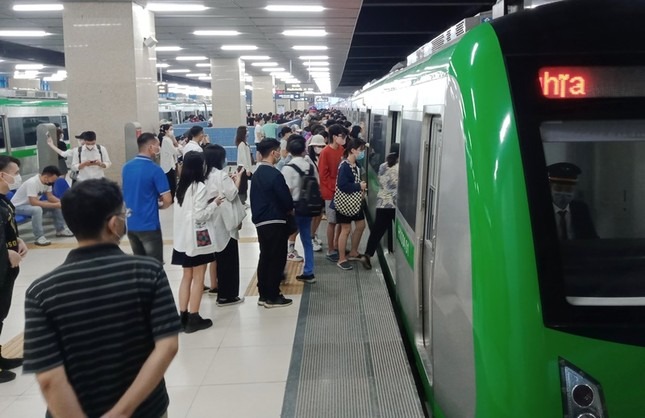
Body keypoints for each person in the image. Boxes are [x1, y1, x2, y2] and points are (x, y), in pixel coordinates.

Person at [22, 178, 180, 417]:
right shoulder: (148, 272)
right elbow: (167, 346)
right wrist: (122, 412)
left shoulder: (41, 291)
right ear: (114, 224)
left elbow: (48, 379)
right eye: (124, 214)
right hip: (145, 409)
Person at [172, 151, 223, 332]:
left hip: (181, 240)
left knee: (186, 277)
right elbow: (200, 215)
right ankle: (194, 317)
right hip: (197, 240)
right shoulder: (199, 186)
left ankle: (183, 317)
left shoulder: (181, 187)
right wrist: (215, 203)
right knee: (199, 277)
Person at [250, 139, 294, 308]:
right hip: (275, 220)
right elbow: (286, 200)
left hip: (261, 221)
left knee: (265, 257)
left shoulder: (257, 174)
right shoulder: (275, 174)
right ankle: (273, 296)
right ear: (273, 152)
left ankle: (263, 294)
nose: (280, 153)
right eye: (278, 150)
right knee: (277, 258)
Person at [122, 133, 173, 264]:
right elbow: (167, 200)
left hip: (131, 225)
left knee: (141, 265)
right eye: (157, 145)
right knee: (154, 265)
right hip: (149, 225)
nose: (158, 148)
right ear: (150, 147)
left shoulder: (126, 167)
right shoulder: (155, 170)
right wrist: (160, 206)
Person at [204, 144, 245, 306]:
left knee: (220, 259)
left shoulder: (204, 175)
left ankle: (221, 292)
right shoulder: (221, 175)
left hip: (212, 220)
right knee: (229, 260)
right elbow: (232, 193)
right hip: (225, 221)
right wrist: (238, 179)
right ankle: (228, 296)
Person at [0, 156, 27, 383]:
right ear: (2, 175)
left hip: (6, 267)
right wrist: (5, 252)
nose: (17, 177)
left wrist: (16, 239)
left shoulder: (3, 200)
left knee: (1, 312)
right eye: (15, 172)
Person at [282, 136, 318, 283]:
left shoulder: (288, 168)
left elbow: (286, 191)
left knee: (283, 239)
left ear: (290, 151)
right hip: (308, 207)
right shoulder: (310, 166)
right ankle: (309, 272)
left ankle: (281, 271)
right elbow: (317, 184)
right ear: (303, 150)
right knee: (306, 239)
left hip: (293, 208)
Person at [11, 165, 74, 246]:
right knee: (37, 210)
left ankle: (60, 230)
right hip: (17, 207)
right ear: (46, 177)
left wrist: (62, 203)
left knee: (56, 206)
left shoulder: (48, 183)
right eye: (52, 180)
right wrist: (55, 205)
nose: (53, 182)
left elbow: (50, 197)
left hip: (30, 205)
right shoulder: (32, 182)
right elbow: (34, 202)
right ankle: (39, 237)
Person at [360, 144, 399, 269]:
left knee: (376, 232)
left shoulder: (383, 166)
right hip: (395, 205)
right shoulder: (401, 168)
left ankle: (367, 255)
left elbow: (380, 180)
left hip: (382, 203)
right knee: (400, 233)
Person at [334, 137, 368, 270]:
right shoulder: (344, 166)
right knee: (346, 229)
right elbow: (342, 185)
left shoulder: (356, 165)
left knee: (361, 225)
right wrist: (359, 186)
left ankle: (353, 251)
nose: (362, 152)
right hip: (345, 203)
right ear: (353, 150)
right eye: (360, 150)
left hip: (355, 202)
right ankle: (341, 259)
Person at [318, 124, 348, 262]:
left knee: (340, 221)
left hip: (341, 191)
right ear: (335, 137)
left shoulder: (342, 150)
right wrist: (334, 187)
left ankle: (337, 245)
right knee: (332, 222)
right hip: (330, 192)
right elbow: (323, 175)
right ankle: (330, 249)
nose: (344, 139)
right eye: (343, 136)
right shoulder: (325, 152)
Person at [548, 162, 598, 240]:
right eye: (558, 188)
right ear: (550, 188)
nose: (563, 194)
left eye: (568, 189)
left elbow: (592, 238)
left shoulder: (581, 209)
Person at [307, 134, 326, 252]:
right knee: (313, 216)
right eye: (317, 146)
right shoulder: (308, 160)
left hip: (321, 191)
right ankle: (310, 237)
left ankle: (313, 234)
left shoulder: (322, 158)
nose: (319, 148)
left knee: (319, 214)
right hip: (313, 192)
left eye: (322, 146)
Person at [159, 123, 181, 200]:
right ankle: (171, 199)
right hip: (168, 166)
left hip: (171, 164)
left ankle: (172, 198)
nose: (172, 131)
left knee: (172, 182)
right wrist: (180, 148)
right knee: (171, 183)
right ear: (166, 130)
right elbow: (174, 151)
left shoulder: (168, 139)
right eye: (170, 129)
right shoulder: (166, 140)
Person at [235, 125, 253, 205]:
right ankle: (241, 202)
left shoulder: (246, 143)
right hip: (242, 168)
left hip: (246, 167)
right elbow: (244, 158)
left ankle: (243, 201)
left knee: (245, 185)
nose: (248, 132)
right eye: (246, 130)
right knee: (242, 186)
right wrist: (247, 169)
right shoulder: (241, 144)